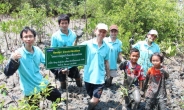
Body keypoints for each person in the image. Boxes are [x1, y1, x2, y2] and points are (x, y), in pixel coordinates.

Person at [4, 27, 61, 106]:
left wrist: (60, 70)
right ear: (22, 39)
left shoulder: (37, 50)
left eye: (30, 36)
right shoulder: (17, 54)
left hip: (41, 83)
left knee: (57, 96)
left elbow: (48, 63)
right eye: (25, 37)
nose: (28, 39)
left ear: (34, 38)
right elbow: (7, 72)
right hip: (29, 88)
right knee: (34, 107)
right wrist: (13, 60)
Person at [80, 23, 110, 110]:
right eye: (100, 31)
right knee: (91, 96)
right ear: (95, 31)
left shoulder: (107, 47)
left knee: (95, 99)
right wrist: (77, 38)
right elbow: (75, 50)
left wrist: (108, 76)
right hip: (88, 76)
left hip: (100, 78)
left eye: (104, 32)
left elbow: (106, 62)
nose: (101, 33)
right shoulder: (87, 44)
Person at [50, 14, 82, 89]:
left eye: (66, 23)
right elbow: (52, 51)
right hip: (61, 62)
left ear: (68, 23)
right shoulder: (55, 36)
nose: (64, 25)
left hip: (72, 61)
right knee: (62, 79)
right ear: (59, 24)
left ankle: (80, 88)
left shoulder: (73, 34)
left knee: (77, 76)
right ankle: (63, 90)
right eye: (62, 23)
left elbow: (76, 48)